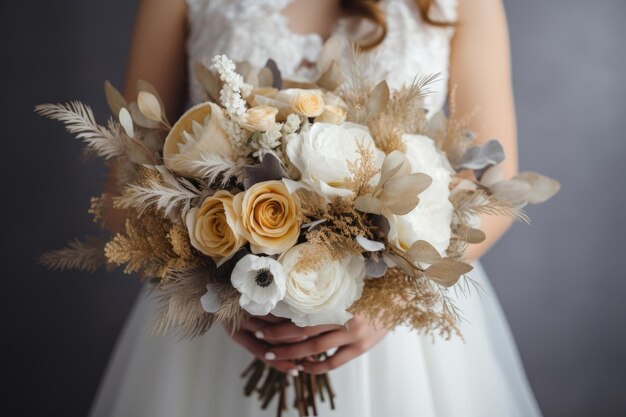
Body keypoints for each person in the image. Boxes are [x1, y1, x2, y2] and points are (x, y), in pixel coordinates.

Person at [91, 0, 542, 416]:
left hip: (396, 337)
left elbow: (492, 185)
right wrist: (215, 289)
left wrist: (393, 303)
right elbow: (123, 189)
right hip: (219, 333)